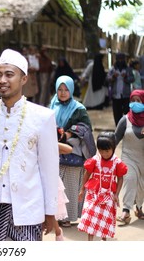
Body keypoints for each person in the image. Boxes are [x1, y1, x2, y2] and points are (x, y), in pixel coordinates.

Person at [0, 49, 59, 241]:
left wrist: (50, 211)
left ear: (24, 79)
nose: (2, 80)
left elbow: (49, 170)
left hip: (28, 208)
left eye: (9, 74)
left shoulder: (43, 117)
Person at [50, 75, 95, 228]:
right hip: (54, 149)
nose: (62, 93)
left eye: (66, 90)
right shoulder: (52, 104)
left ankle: (68, 217)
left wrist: (69, 132)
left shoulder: (78, 108)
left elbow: (86, 127)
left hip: (73, 151)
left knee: (69, 185)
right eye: (60, 89)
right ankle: (57, 214)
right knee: (55, 183)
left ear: (71, 90)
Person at [78, 132, 127, 241]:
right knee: (90, 218)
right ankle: (89, 241)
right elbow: (87, 173)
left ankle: (103, 240)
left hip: (109, 195)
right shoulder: (95, 160)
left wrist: (117, 194)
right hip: (93, 194)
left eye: (107, 151)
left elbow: (120, 178)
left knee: (105, 221)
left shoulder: (117, 162)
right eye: (101, 150)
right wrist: (82, 190)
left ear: (113, 148)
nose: (104, 154)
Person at [115, 89, 144, 224]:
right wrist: (106, 158)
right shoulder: (125, 120)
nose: (134, 104)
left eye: (138, 101)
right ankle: (126, 211)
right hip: (128, 157)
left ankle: (139, 208)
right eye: (132, 101)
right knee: (130, 179)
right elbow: (114, 140)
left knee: (142, 186)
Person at [107, 52, 135, 126]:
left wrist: (126, 77)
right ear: (116, 59)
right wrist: (113, 77)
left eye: (122, 59)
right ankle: (118, 127)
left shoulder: (128, 69)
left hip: (125, 95)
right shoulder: (112, 69)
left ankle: (126, 126)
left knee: (126, 111)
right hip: (115, 95)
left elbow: (132, 79)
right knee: (117, 113)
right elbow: (107, 79)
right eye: (118, 59)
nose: (120, 61)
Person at [54, 142, 71, 241]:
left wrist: (52, 141)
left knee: (52, 212)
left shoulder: (53, 146)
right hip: (37, 180)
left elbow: (69, 149)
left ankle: (58, 232)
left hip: (52, 182)